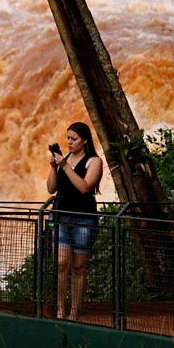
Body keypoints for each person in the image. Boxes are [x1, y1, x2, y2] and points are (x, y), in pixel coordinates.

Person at [46, 121, 103, 321]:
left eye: (74, 139)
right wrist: (54, 168)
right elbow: (51, 189)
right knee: (62, 263)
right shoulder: (65, 158)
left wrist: (64, 165)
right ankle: (60, 309)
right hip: (61, 215)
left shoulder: (93, 161)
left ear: (85, 140)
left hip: (84, 218)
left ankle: (74, 311)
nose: (69, 142)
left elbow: (85, 187)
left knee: (79, 267)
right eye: (68, 138)